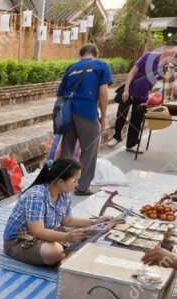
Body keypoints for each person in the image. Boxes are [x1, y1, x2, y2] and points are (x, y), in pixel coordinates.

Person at [1, 159, 113, 267]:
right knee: (54, 252)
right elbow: (37, 230)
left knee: (87, 233)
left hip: (43, 234)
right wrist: (66, 237)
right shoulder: (36, 196)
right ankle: (67, 256)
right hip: (19, 241)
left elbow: (67, 220)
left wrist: (95, 222)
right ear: (60, 182)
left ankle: (67, 257)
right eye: (74, 180)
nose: (77, 184)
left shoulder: (65, 194)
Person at [58, 44, 113, 196]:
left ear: (81, 54)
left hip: (67, 113)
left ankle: (62, 184)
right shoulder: (101, 65)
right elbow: (103, 92)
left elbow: (60, 94)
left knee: (67, 150)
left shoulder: (71, 68)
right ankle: (82, 186)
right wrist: (103, 117)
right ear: (96, 53)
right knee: (89, 150)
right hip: (87, 112)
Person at [113, 40, 177, 153]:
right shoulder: (148, 56)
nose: (172, 54)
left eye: (175, 53)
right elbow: (132, 72)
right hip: (130, 91)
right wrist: (126, 90)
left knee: (137, 120)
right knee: (121, 115)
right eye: (171, 51)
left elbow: (174, 82)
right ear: (165, 48)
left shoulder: (168, 66)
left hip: (143, 96)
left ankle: (131, 144)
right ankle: (116, 137)